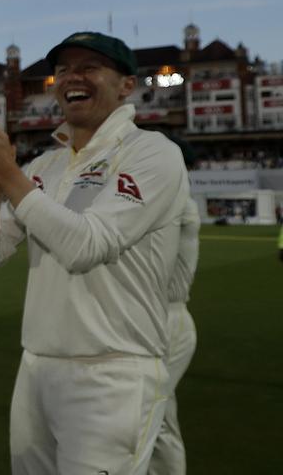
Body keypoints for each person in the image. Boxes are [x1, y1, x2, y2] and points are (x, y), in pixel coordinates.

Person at [0, 31, 189, 475]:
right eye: (63, 70)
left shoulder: (152, 153)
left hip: (113, 371)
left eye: (88, 67)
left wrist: (7, 173)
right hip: (37, 366)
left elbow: (86, 246)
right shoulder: (45, 167)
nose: (71, 77)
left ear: (125, 85)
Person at [150, 137, 199, 475]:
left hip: (168, 320)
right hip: (152, 319)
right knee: (157, 415)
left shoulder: (177, 202)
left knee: (154, 415)